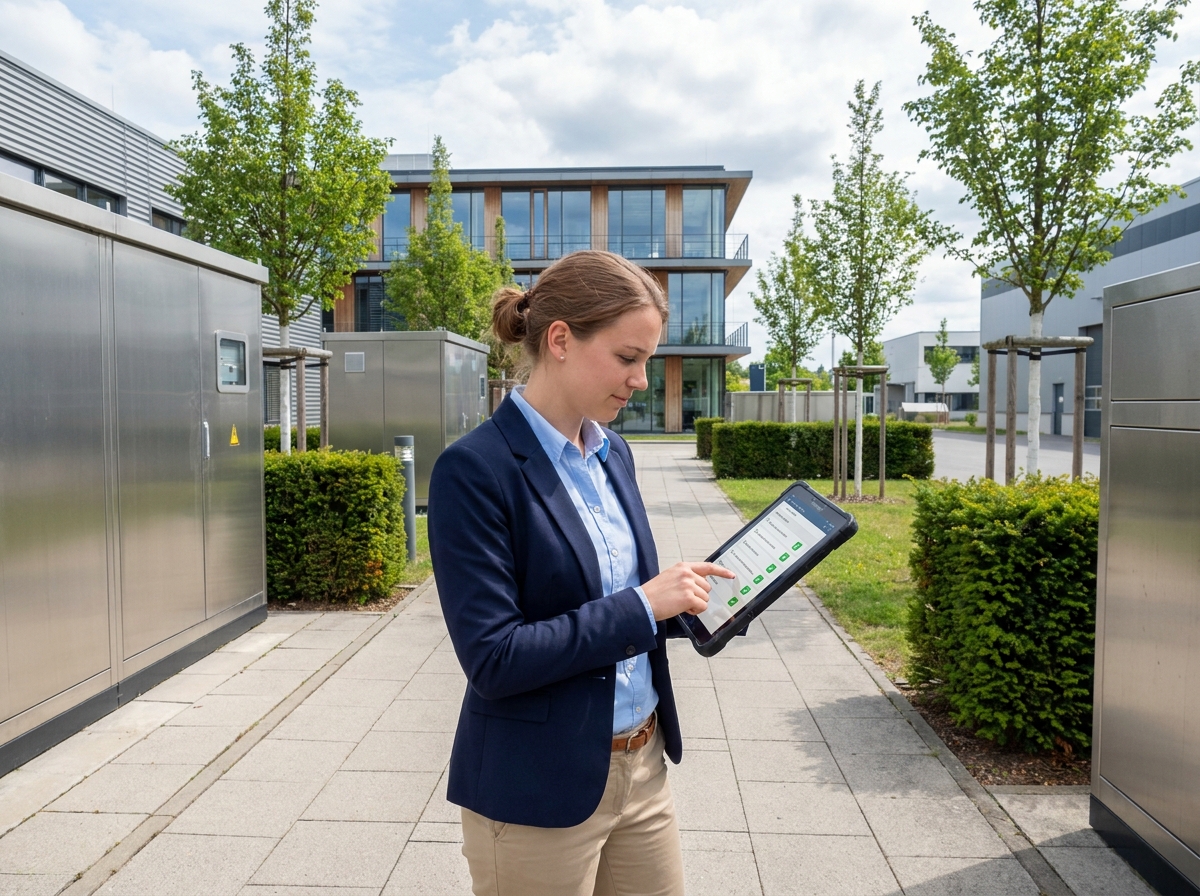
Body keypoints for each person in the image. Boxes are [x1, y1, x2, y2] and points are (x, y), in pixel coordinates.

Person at [428, 250, 734, 896]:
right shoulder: (475, 471)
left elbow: (610, 597)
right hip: (536, 788)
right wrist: (643, 606)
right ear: (560, 340)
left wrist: (680, 606)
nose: (643, 380)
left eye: (647, 360)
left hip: (642, 767)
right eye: (628, 358)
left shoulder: (612, 452)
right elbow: (493, 657)